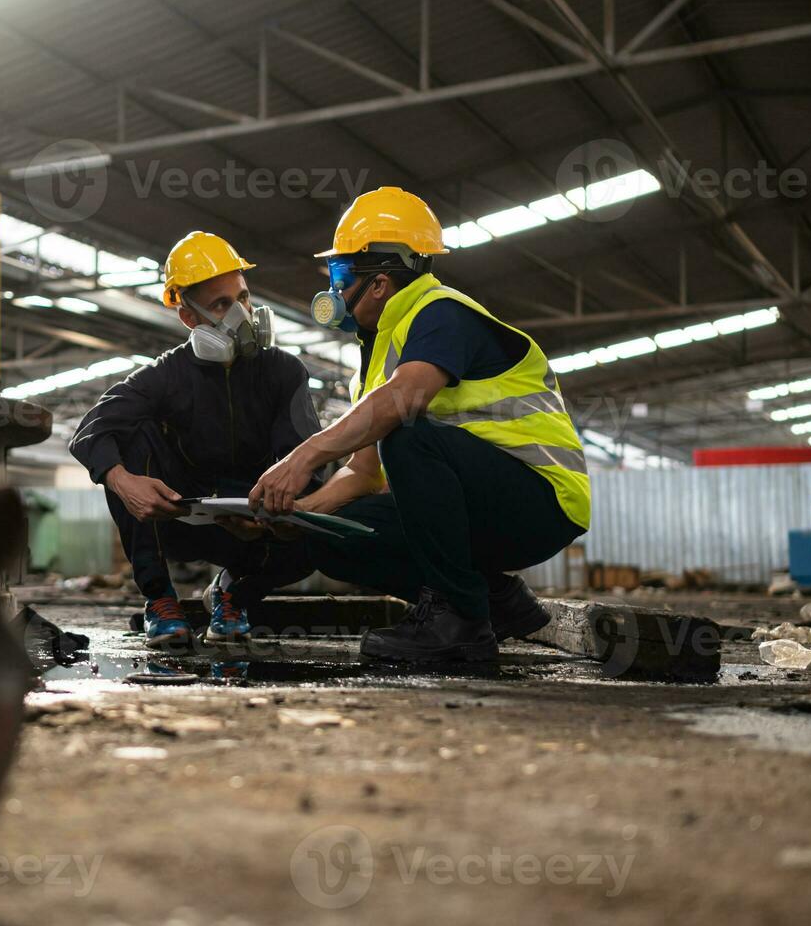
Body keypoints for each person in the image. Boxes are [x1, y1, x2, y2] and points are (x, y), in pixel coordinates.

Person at [248, 188, 590, 664]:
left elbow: (403, 401)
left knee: (404, 429)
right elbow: (363, 474)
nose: (333, 291)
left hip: (540, 498)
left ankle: (460, 622)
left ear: (381, 282)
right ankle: (495, 602)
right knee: (331, 537)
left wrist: (303, 457)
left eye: (341, 274)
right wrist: (297, 512)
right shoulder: (376, 359)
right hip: (483, 503)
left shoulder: (440, 313)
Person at [69, 232, 321, 650]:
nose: (242, 314)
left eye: (243, 297)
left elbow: (304, 456)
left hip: (254, 518)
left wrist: (277, 515)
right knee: (130, 438)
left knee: (320, 528)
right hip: (175, 515)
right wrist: (122, 482)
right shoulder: (165, 375)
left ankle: (233, 595)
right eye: (223, 305)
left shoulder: (283, 372)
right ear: (189, 317)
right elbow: (91, 429)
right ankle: (161, 601)